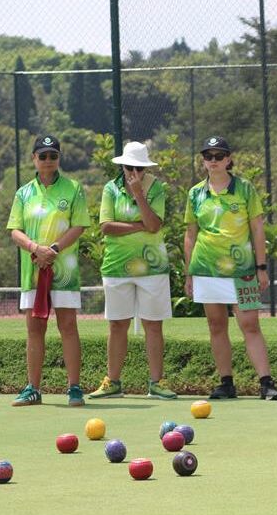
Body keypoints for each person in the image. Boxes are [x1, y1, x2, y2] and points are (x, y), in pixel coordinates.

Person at [184, 136, 277, 400]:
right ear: (203, 161)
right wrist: (189, 273)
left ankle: (266, 383)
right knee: (216, 325)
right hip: (206, 269)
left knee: (249, 324)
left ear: (229, 159)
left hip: (243, 270)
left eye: (219, 156)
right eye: (208, 156)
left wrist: (262, 267)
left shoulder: (245, 189)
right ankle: (226, 383)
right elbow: (191, 235)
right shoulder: (195, 193)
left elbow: (257, 229)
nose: (213, 161)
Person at [88, 141, 177, 400]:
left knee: (153, 324)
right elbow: (106, 226)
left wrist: (138, 194)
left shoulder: (155, 187)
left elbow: (154, 224)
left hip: (153, 268)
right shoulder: (110, 188)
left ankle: (156, 383)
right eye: (129, 167)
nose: (133, 172)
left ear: (145, 168)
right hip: (116, 266)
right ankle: (113, 382)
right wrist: (138, 226)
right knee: (117, 325)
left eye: (138, 167)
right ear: (123, 165)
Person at [6, 135, 90, 407]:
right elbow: (14, 230)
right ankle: (33, 388)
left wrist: (52, 249)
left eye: (53, 156)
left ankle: (74, 388)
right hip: (33, 270)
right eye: (42, 156)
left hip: (64, 269)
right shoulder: (23, 193)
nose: (48, 161)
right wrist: (35, 248)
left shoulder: (74, 189)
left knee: (68, 325)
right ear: (34, 159)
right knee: (34, 327)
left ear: (58, 159)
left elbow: (78, 226)